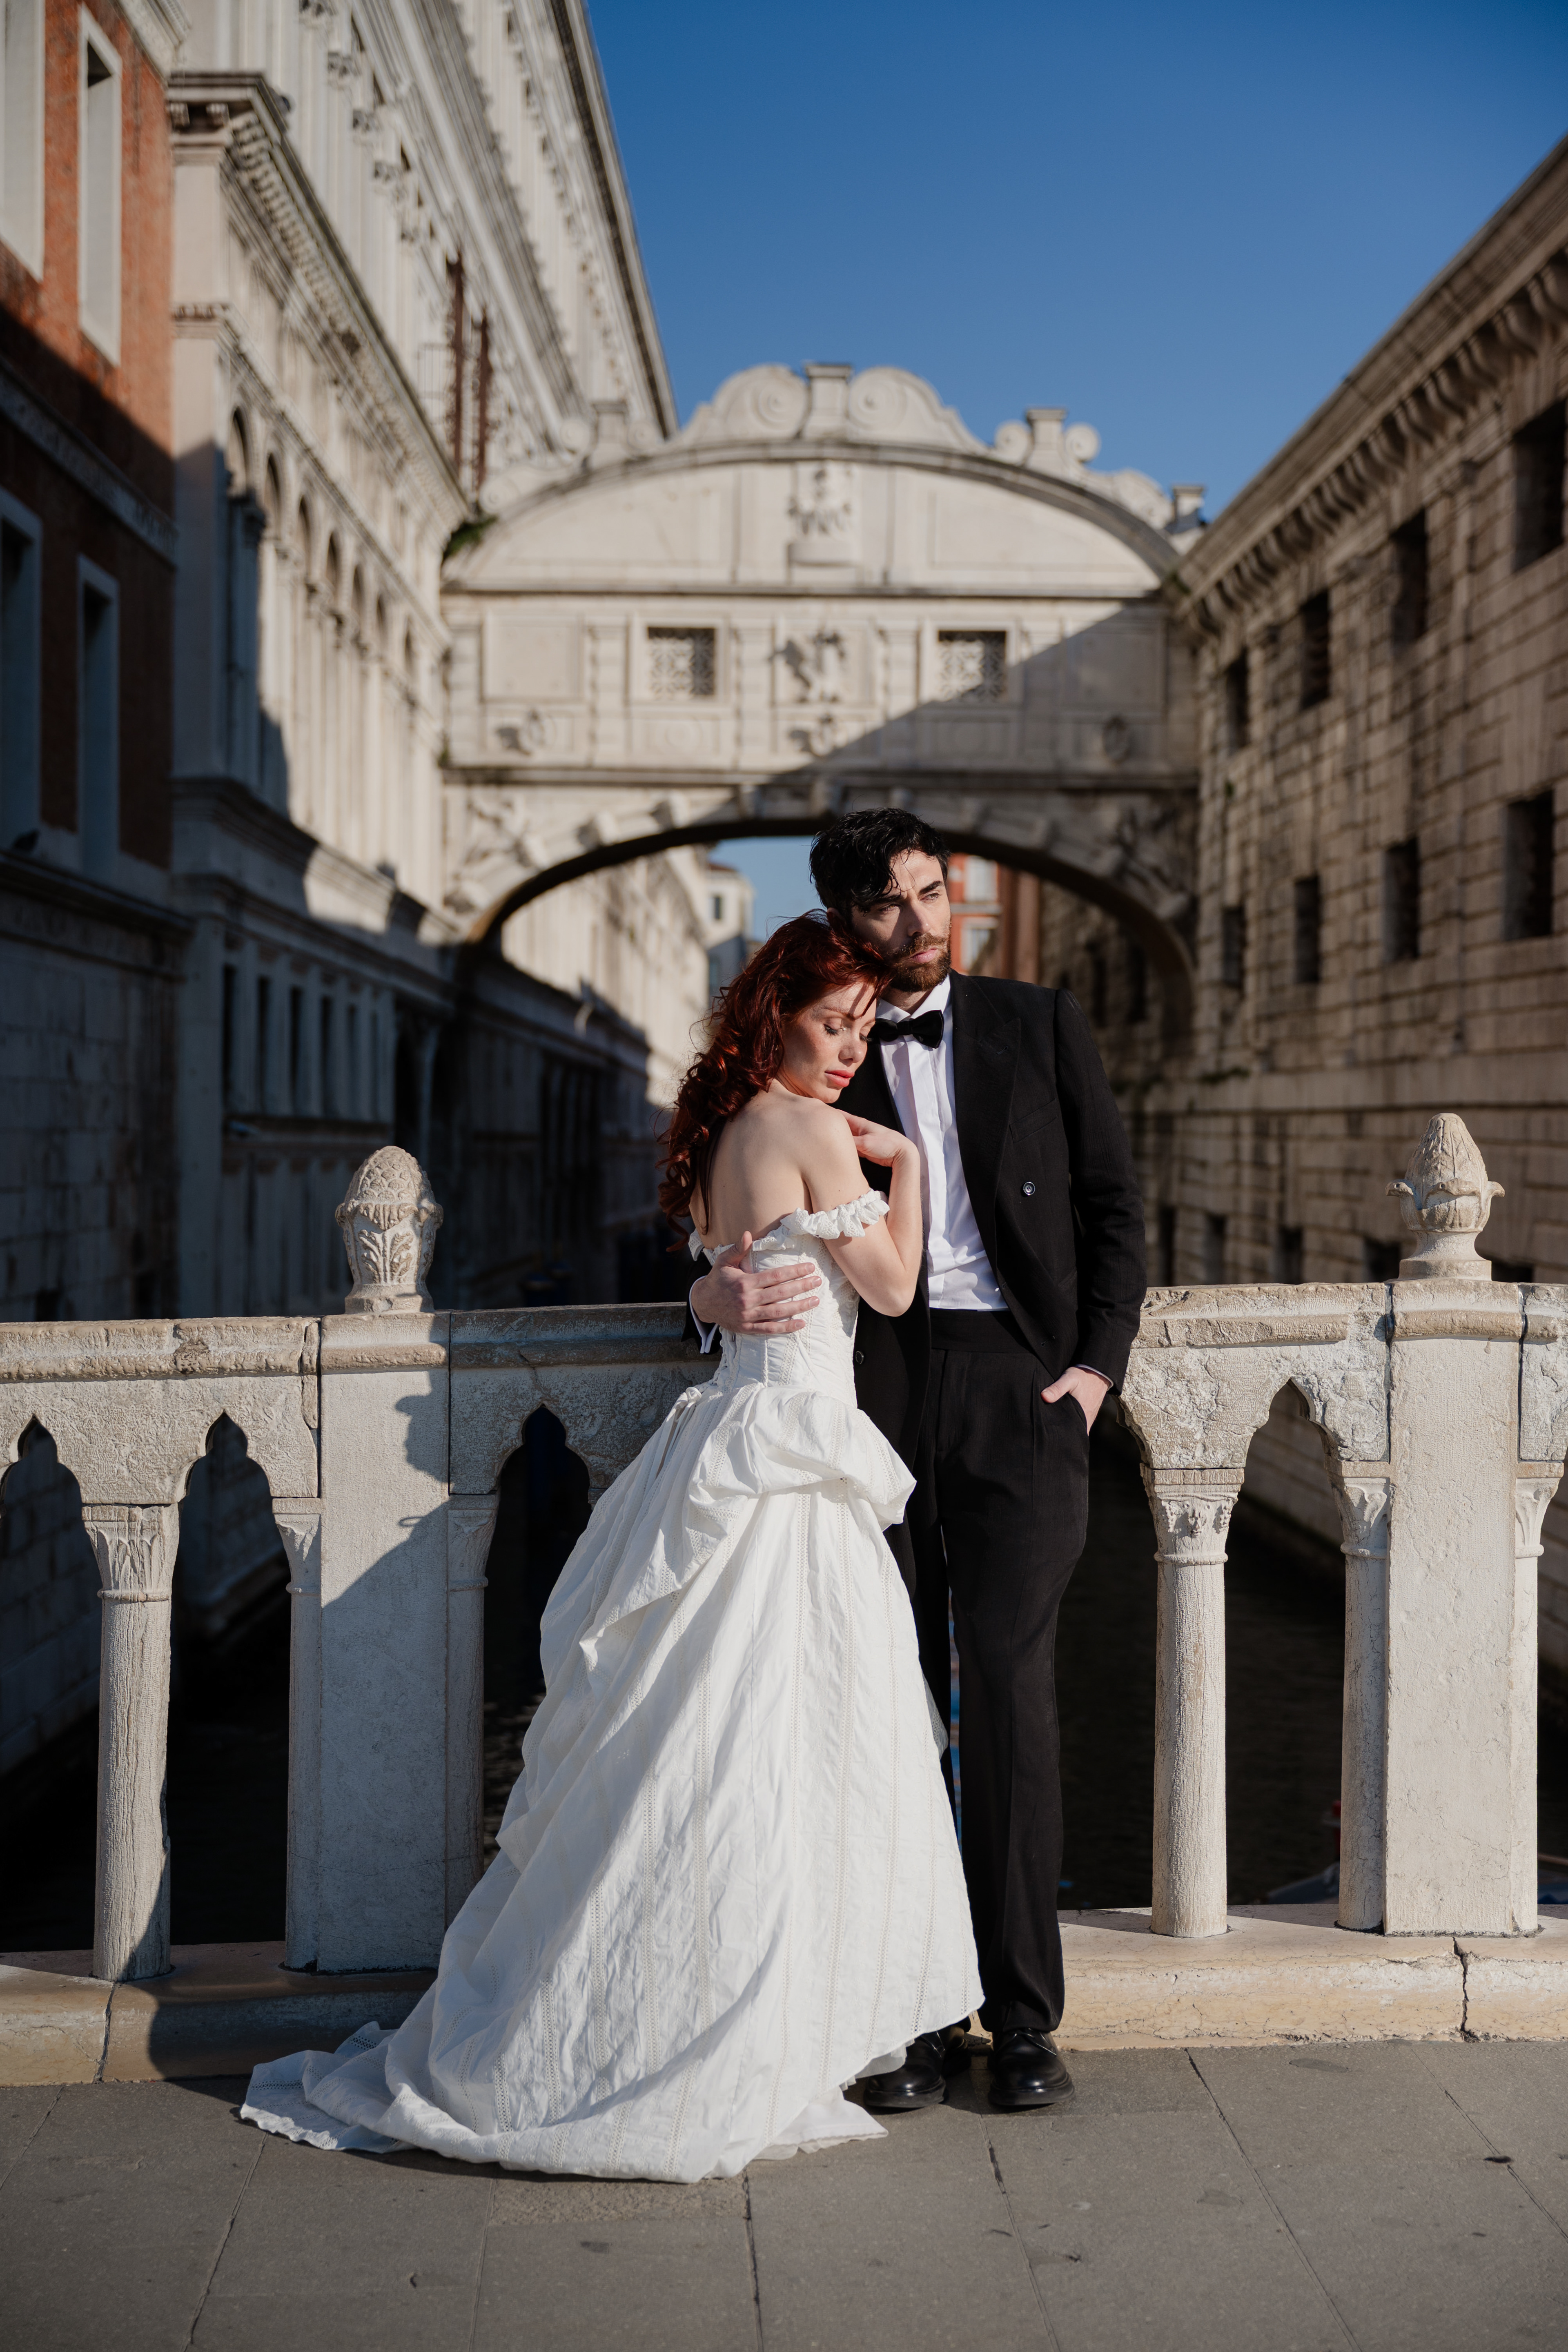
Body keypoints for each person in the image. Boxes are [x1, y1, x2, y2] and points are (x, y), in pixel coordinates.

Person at [241, 914, 980, 2183]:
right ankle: (759, 2011)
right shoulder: (809, 1130)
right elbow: (902, 1289)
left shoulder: (719, 1139)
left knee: (703, 1747)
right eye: (833, 1022)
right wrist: (908, 1162)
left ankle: (700, 1990)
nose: (853, 1046)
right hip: (792, 1462)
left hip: (732, 1439)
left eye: (866, 1024)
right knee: (791, 1743)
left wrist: (708, 1297)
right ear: (776, 1014)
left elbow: (714, 1281)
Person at [690, 811, 1146, 2116]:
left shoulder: (1038, 1022)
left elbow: (1115, 1205)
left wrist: (1092, 1375)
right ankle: (907, 2016)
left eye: (934, 893)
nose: (925, 924)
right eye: (891, 906)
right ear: (844, 922)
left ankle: (1024, 2022)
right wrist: (706, 1301)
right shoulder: (818, 1053)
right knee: (877, 1708)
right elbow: (728, 1217)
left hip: (1020, 1391)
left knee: (1006, 1692)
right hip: (866, 1406)